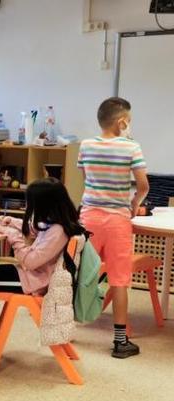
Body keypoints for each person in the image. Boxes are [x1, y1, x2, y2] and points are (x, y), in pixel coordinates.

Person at [0, 178, 86, 369]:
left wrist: (14, 237)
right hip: (30, 276)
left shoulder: (58, 231)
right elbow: (36, 229)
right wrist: (14, 222)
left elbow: (30, 262)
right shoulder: (57, 222)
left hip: (32, 281)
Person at [78, 97, 149, 359]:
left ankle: (63, 327)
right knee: (119, 281)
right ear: (122, 122)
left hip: (89, 218)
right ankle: (120, 342)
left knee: (81, 272)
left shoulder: (86, 145)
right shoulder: (132, 147)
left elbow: (87, 180)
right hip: (117, 220)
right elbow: (143, 187)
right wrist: (133, 204)